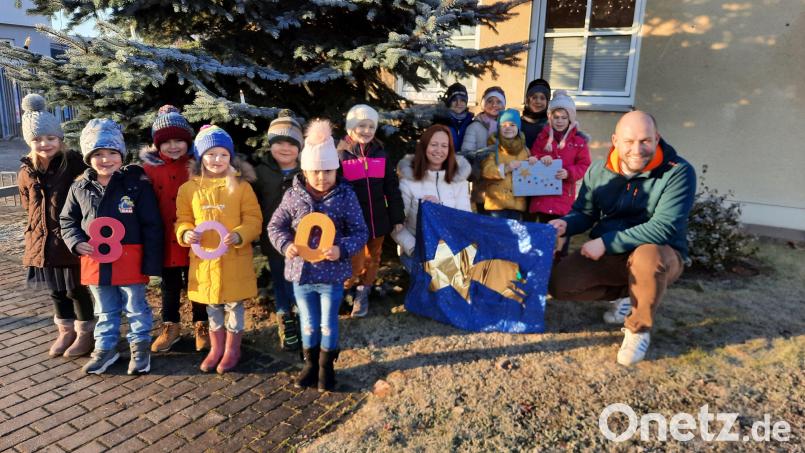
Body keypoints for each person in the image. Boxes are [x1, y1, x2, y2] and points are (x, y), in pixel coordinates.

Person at [548, 111, 696, 366]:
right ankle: (629, 294)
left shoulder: (679, 172)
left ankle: (638, 329)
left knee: (647, 257)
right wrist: (565, 224)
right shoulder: (599, 170)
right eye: (629, 141)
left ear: (657, 138)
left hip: (660, 253)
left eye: (645, 141)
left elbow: (662, 227)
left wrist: (605, 242)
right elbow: (585, 212)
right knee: (560, 285)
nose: (637, 150)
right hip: (613, 254)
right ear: (615, 141)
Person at [268, 119, 369, 392]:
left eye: (327, 171)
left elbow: (360, 231)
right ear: (305, 170)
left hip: (331, 275)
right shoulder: (293, 196)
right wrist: (285, 244)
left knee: (327, 323)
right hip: (301, 274)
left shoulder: (344, 196)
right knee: (308, 323)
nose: (322, 177)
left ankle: (327, 367)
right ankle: (310, 365)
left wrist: (341, 248)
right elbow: (275, 226)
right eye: (315, 172)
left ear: (336, 170)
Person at [60, 118, 163, 375]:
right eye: (98, 154)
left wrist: (151, 263)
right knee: (104, 309)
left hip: (131, 259)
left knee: (136, 306)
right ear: (88, 157)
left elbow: (151, 224)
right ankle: (106, 348)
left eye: (112, 153)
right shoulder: (79, 187)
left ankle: (140, 347)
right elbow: (67, 220)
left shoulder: (136, 183)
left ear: (121, 154)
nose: (105, 159)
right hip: (95, 260)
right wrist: (76, 241)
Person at [176, 125, 262, 374]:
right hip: (205, 261)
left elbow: (254, 219)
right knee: (212, 305)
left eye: (223, 154)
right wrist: (185, 232)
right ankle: (217, 348)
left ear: (230, 157)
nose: (217, 160)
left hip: (234, 258)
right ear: (200, 156)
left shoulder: (241, 186)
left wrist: (239, 234)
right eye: (211, 154)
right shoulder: (188, 189)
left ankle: (233, 349)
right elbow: (182, 219)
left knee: (234, 304)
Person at [17, 93, 94, 358]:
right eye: (37, 139)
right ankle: (66, 331)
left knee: (76, 290)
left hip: (68, 239)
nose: (44, 144)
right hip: (42, 241)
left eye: (50, 138)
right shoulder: (26, 170)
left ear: (60, 139)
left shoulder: (72, 164)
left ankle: (86, 334)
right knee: (56, 291)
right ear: (30, 143)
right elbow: (28, 204)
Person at [140, 105, 210, 353]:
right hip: (165, 237)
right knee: (169, 284)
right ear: (157, 144)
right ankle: (171, 325)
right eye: (166, 141)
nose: (173, 146)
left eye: (178, 141)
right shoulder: (148, 169)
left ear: (187, 142)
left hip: (194, 234)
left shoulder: (198, 165)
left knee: (197, 279)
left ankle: (202, 323)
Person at [337, 104, 404, 318]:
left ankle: (362, 294)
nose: (366, 131)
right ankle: (340, 292)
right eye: (361, 125)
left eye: (370, 126)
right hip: (353, 224)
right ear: (350, 129)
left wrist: (397, 216)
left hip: (378, 220)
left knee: (374, 258)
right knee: (355, 262)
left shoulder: (381, 154)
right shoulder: (341, 155)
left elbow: (391, 187)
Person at [252, 110, 303, 351]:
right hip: (273, 239)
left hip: (302, 239)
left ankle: (302, 315)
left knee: (300, 278)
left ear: (300, 148)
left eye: (291, 143)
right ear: (271, 145)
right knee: (281, 280)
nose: (285, 148)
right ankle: (285, 317)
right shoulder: (260, 172)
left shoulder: (307, 171)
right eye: (279, 143)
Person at [391, 124, 471, 272]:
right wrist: (414, 248)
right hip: (416, 250)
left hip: (450, 249)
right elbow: (396, 225)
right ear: (424, 147)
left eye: (444, 146)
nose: (439, 150)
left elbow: (465, 220)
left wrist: (438, 209)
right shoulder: (408, 181)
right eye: (434, 145)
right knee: (431, 285)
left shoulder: (459, 181)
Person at [528, 90, 591, 255]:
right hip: (542, 197)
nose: (560, 121)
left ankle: (558, 272)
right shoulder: (542, 138)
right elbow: (533, 157)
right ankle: (542, 274)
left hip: (563, 200)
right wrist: (541, 158)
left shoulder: (578, 142)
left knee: (561, 243)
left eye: (564, 117)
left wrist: (569, 172)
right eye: (556, 117)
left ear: (570, 118)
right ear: (550, 117)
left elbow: (584, 164)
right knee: (542, 243)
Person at [460, 86, 506, 213]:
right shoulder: (475, 126)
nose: (494, 105)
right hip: (482, 187)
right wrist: (484, 155)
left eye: (498, 102)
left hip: (505, 188)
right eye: (490, 101)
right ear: (483, 104)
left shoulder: (509, 125)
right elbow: (466, 154)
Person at [479, 108, 529, 220]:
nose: (508, 128)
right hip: (497, 203)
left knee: (513, 236)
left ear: (518, 128)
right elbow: (486, 170)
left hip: (517, 203)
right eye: (504, 125)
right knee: (497, 235)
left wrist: (532, 162)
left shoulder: (524, 149)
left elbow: (529, 172)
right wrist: (506, 168)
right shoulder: (493, 148)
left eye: (512, 125)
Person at [440, 82, 474, 151]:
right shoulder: (441, 122)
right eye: (454, 100)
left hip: (465, 161)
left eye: (462, 100)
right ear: (449, 102)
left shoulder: (471, 123)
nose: (458, 103)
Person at [521, 78, 551, 150]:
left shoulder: (552, 125)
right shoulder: (517, 123)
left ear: (547, 101)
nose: (538, 101)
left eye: (542, 98)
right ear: (527, 100)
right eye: (534, 97)